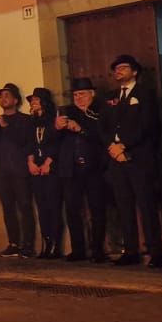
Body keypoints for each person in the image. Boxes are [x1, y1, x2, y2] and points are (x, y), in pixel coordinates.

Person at [102, 54, 162, 267]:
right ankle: (130, 251)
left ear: (135, 71)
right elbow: (102, 126)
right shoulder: (111, 97)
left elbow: (147, 125)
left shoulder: (145, 94)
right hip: (116, 158)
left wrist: (125, 145)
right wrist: (112, 146)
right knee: (124, 205)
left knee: (146, 205)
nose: (118, 71)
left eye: (123, 67)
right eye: (116, 68)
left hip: (139, 157)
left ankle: (156, 252)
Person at [57, 77, 107, 262]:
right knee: (72, 209)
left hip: (94, 167)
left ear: (92, 94)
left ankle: (97, 250)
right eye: (76, 95)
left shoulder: (101, 111)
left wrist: (81, 129)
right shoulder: (66, 111)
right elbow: (53, 138)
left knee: (97, 209)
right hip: (70, 169)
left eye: (82, 94)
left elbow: (103, 136)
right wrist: (56, 127)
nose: (78, 98)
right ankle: (78, 249)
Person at [0, 83, 36, 257]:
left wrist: (6, 125)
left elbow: (24, 141)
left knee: (24, 206)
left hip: (19, 170)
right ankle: (13, 243)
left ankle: (28, 245)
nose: (3, 98)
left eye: (7, 95)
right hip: (1, 171)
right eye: (1, 96)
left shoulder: (24, 120)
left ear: (15, 100)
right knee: (7, 208)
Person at [26, 88, 64, 259]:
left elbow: (57, 142)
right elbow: (29, 144)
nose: (33, 102)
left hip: (51, 167)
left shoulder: (52, 119)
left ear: (44, 101)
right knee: (41, 207)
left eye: (36, 99)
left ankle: (56, 245)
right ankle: (46, 242)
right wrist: (31, 162)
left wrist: (49, 162)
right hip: (36, 167)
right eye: (31, 99)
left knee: (53, 206)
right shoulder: (31, 121)